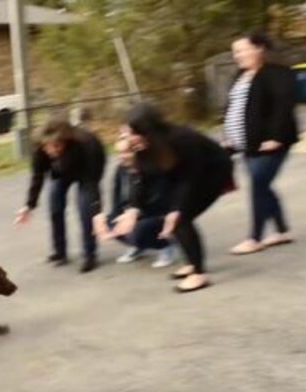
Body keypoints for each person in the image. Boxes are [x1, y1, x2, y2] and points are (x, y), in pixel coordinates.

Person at [98, 103, 232, 293]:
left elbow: (189, 179)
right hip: (182, 176)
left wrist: (177, 209)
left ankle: (199, 274)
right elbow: (141, 178)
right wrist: (133, 210)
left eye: (132, 132)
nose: (128, 137)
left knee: (180, 218)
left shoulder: (183, 139)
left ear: (148, 131)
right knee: (177, 217)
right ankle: (193, 263)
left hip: (212, 172)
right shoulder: (142, 144)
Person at [224, 32, 300, 255]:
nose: (236, 55)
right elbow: (234, 108)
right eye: (235, 52)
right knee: (263, 185)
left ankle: (254, 237)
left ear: (258, 49)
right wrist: (228, 135)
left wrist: (275, 137)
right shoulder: (240, 75)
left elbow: (283, 106)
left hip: (270, 144)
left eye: (240, 50)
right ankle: (282, 231)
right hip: (247, 144)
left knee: (258, 184)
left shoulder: (277, 73)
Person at [15, 118, 106, 273]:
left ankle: (90, 254)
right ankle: (60, 252)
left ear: (66, 141)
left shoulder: (86, 144)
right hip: (61, 172)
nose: (52, 150)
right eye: (48, 146)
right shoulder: (40, 148)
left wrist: (96, 210)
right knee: (55, 204)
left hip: (86, 171)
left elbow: (92, 184)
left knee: (85, 209)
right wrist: (28, 205)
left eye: (57, 145)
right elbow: (37, 176)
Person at [107, 139, 176, 268]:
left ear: (136, 152)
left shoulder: (150, 169)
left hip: (154, 213)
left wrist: (135, 214)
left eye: (126, 152)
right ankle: (138, 246)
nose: (122, 156)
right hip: (132, 212)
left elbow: (158, 200)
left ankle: (165, 245)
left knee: (138, 230)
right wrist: (115, 215)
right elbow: (116, 192)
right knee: (108, 222)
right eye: (119, 153)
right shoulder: (120, 169)